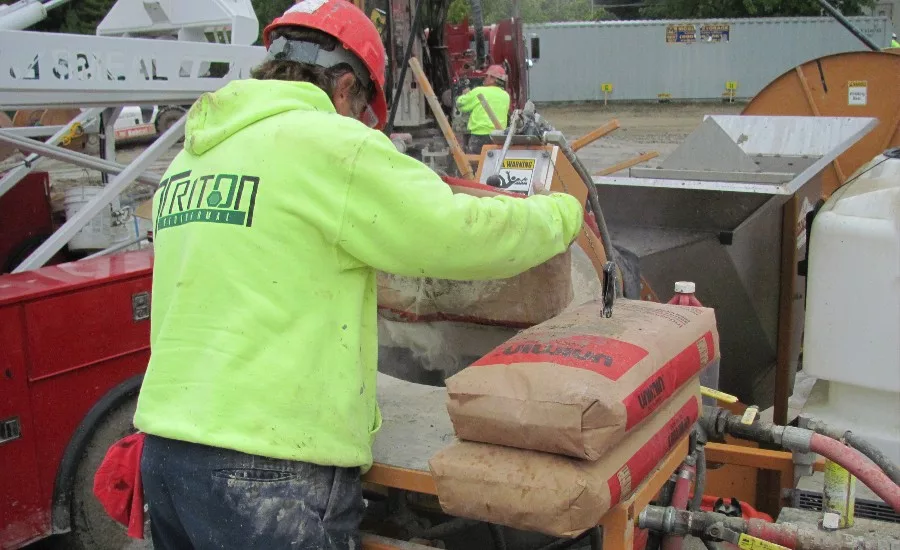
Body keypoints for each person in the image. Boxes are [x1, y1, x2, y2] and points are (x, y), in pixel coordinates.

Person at [133, 1, 584, 549]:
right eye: (362, 112)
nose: (360, 127)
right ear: (345, 86)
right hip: (269, 468)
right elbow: (456, 232)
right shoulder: (328, 144)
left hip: (166, 454)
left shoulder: (193, 159)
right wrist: (559, 212)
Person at [457, 64, 512, 154]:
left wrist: (465, 94)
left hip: (479, 137)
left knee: (475, 165)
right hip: (498, 138)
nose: (484, 78)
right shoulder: (506, 96)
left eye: (487, 76)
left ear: (493, 79)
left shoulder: (479, 91)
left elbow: (461, 104)